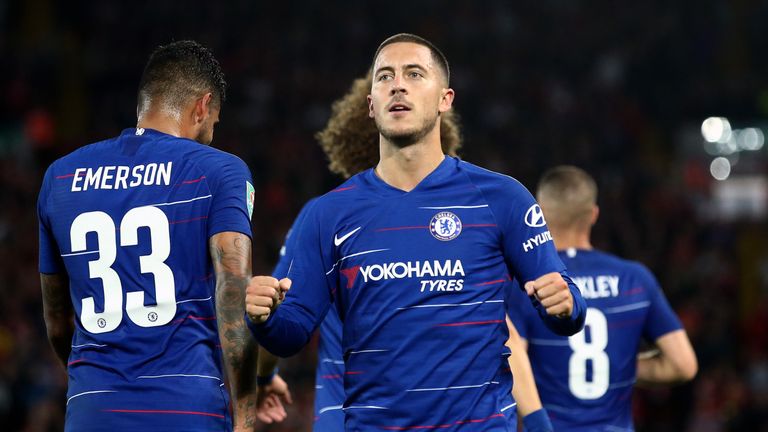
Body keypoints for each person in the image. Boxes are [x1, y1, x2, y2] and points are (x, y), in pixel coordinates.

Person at [246, 33, 586, 430]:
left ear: (446, 99)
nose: (398, 84)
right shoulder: (327, 215)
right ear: (371, 105)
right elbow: (291, 333)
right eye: (385, 76)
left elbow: (564, 305)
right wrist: (263, 318)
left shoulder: (503, 199)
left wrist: (566, 306)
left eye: (414, 74)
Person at [37, 40, 259, 431]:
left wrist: (92, 383)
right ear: (202, 106)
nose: (211, 134)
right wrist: (245, 415)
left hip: (93, 410)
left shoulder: (61, 177)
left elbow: (57, 324)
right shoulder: (220, 171)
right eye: (213, 124)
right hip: (187, 407)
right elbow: (233, 293)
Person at [507, 165, 698, 431]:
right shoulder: (635, 279)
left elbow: (513, 364)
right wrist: (617, 366)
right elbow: (683, 365)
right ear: (593, 215)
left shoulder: (530, 285)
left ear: (539, 213)